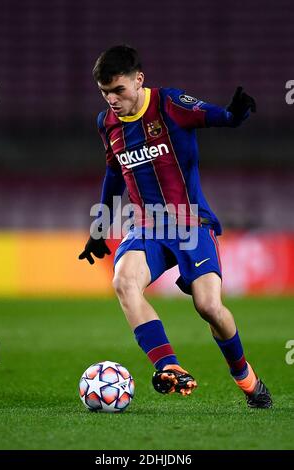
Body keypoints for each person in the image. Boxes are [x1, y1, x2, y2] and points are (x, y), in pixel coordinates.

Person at [79, 44, 272, 408]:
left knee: (209, 306)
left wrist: (235, 115)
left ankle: (246, 377)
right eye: (105, 93)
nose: (112, 100)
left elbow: (219, 116)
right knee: (123, 281)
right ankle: (169, 366)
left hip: (190, 223)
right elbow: (113, 172)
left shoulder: (169, 105)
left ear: (139, 80)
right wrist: (99, 225)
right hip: (148, 227)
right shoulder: (107, 124)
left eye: (118, 90)